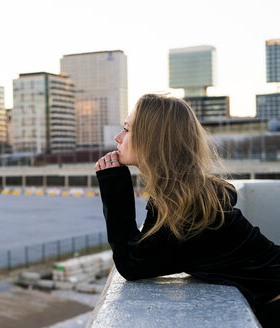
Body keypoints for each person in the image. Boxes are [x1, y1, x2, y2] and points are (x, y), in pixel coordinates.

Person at [95, 94, 280, 327]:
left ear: (152, 140)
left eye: (127, 129)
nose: (118, 137)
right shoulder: (186, 194)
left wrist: (113, 184)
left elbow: (132, 264)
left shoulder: (188, 210)